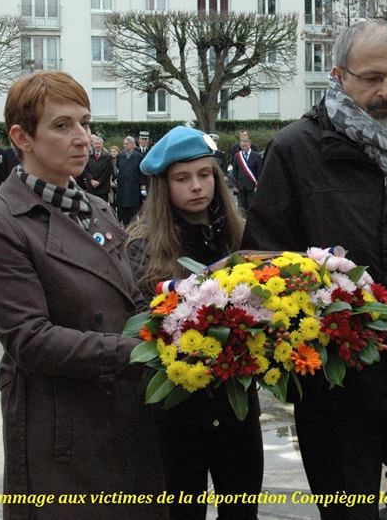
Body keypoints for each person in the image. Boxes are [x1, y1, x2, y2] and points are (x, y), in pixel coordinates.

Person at [242, 19, 387, 519]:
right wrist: (333, 318)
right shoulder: (294, 150)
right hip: (334, 382)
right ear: (339, 75)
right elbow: (264, 258)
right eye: (372, 78)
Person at [0, 71, 167, 520]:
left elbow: (128, 295)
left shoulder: (94, 207)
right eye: (63, 126)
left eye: (85, 123)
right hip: (62, 429)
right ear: (22, 137)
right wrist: (138, 352)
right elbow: (29, 339)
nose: (84, 139)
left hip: (124, 411)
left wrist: (185, 312)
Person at [127, 126, 261, 520]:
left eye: (205, 175)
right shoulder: (143, 244)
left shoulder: (239, 234)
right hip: (177, 411)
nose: (197, 186)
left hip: (236, 405)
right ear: (163, 186)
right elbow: (144, 320)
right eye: (182, 178)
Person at [116, 136, 146, 226]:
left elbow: (142, 172)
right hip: (122, 187)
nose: (125, 146)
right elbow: (118, 168)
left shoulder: (138, 157)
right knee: (123, 211)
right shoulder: (120, 156)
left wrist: (143, 185)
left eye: (127, 144)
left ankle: (133, 228)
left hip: (134, 188)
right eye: (124, 144)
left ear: (133, 145)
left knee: (133, 211)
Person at [78, 135, 114, 201]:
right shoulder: (88, 154)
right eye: (96, 144)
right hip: (90, 186)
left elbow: (108, 171)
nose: (97, 145)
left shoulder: (107, 156)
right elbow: (85, 169)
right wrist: (91, 180)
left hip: (103, 188)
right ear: (93, 145)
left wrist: (99, 181)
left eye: (99, 144)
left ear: (102, 144)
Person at [230, 136, 262, 213]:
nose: (244, 148)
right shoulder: (237, 156)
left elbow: (259, 171)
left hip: (252, 185)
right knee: (242, 207)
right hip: (240, 186)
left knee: (251, 206)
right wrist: (235, 185)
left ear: (249, 145)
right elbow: (235, 172)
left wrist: (259, 185)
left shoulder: (256, 156)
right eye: (243, 146)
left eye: (246, 146)